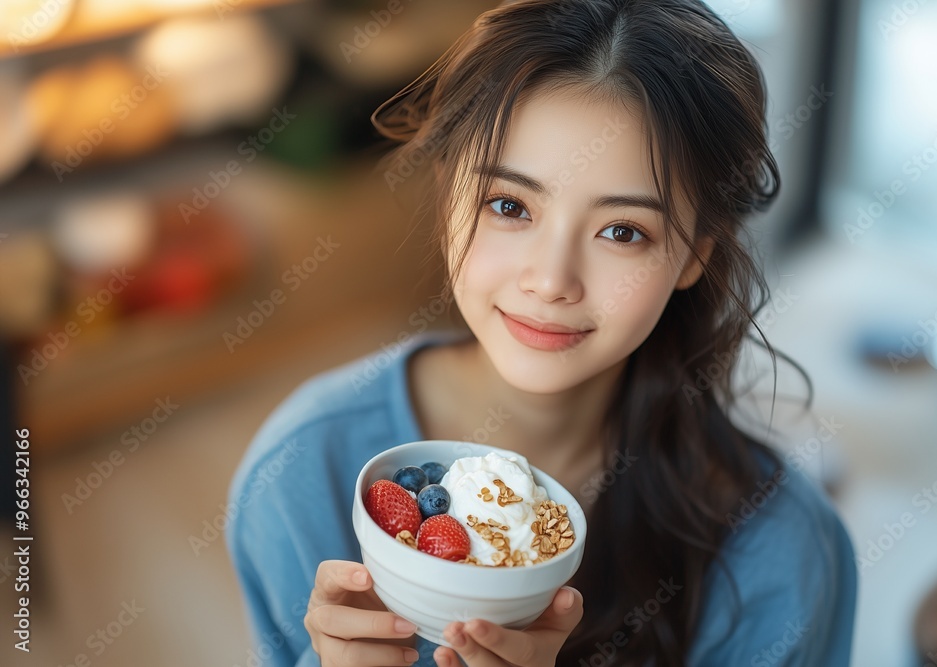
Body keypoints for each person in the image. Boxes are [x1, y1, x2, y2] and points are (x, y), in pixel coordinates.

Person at [225, 0, 858, 665]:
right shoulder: (300, 474)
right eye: (509, 205)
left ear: (696, 253)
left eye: (622, 231)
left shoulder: (782, 556)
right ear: (447, 197)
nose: (552, 280)